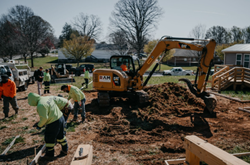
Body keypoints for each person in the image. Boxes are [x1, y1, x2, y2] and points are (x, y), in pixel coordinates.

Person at [28, 93, 68, 160]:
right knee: (61, 136)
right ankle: (65, 150)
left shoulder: (41, 105)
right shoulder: (46, 98)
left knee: (49, 138)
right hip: (60, 118)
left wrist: (39, 125)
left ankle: (49, 155)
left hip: (53, 122)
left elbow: (44, 118)